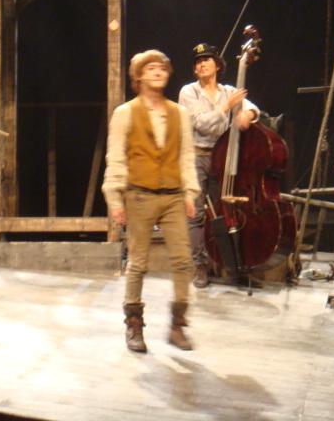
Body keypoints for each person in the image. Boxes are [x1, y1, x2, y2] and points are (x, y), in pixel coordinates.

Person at [102, 49, 200, 353]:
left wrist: (190, 192)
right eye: (150, 68)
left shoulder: (179, 113)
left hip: (172, 195)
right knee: (138, 262)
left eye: (162, 68)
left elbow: (186, 155)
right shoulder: (125, 112)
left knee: (183, 261)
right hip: (139, 194)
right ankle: (134, 323)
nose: (157, 72)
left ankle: (177, 325)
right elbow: (116, 156)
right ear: (139, 76)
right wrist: (115, 198)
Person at [178, 42, 267, 288]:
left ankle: (230, 264)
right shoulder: (189, 92)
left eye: (206, 59)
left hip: (223, 158)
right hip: (197, 157)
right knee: (196, 215)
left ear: (217, 65)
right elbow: (202, 124)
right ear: (194, 69)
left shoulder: (229, 90)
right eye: (198, 62)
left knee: (225, 212)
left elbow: (253, 108)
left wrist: (247, 115)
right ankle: (200, 266)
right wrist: (227, 107)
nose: (202, 64)